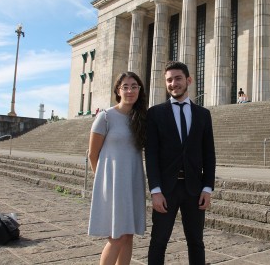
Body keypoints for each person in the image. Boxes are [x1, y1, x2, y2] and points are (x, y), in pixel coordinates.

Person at [145, 61, 216, 265]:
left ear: (188, 80)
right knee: (158, 241)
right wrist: (155, 190)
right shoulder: (155, 113)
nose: (173, 83)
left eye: (177, 78)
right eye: (169, 80)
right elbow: (151, 154)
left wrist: (207, 188)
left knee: (196, 241)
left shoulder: (203, 114)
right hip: (166, 189)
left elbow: (209, 154)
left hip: (194, 189)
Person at [88, 71, 147, 265]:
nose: (130, 90)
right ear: (118, 90)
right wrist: (103, 182)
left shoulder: (141, 118)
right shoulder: (105, 117)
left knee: (128, 235)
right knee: (116, 237)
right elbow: (92, 154)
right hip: (113, 183)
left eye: (134, 86)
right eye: (125, 86)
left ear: (139, 90)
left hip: (133, 181)